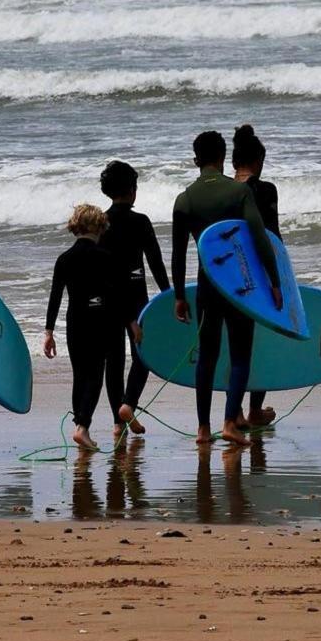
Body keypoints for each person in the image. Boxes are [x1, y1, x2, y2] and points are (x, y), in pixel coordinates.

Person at [171, 131, 282, 446]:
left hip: (207, 285)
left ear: (196, 161)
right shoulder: (238, 192)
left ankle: (203, 430)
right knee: (240, 356)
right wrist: (274, 282)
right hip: (241, 288)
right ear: (222, 158)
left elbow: (178, 254)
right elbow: (261, 240)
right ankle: (230, 422)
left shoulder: (184, 199)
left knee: (207, 356)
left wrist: (179, 295)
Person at [44, 204, 141, 450]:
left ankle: (80, 425)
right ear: (99, 227)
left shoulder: (64, 259)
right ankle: (82, 428)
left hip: (75, 320)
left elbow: (55, 297)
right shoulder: (106, 257)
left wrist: (48, 332)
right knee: (96, 377)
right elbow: (120, 295)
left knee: (80, 375)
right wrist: (132, 323)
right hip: (103, 321)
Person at [98, 160, 170, 439]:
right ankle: (128, 404)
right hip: (136, 296)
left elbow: (98, 268)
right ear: (131, 190)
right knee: (143, 354)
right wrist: (168, 295)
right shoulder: (140, 222)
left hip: (108, 300)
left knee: (113, 361)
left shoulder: (101, 223)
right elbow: (155, 261)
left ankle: (117, 421)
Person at [232, 124, 281, 428]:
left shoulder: (224, 189)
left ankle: (233, 411)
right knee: (260, 345)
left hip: (230, 276)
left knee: (235, 345)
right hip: (261, 276)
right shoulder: (265, 190)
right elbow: (272, 237)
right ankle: (254, 409)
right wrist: (280, 280)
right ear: (258, 160)